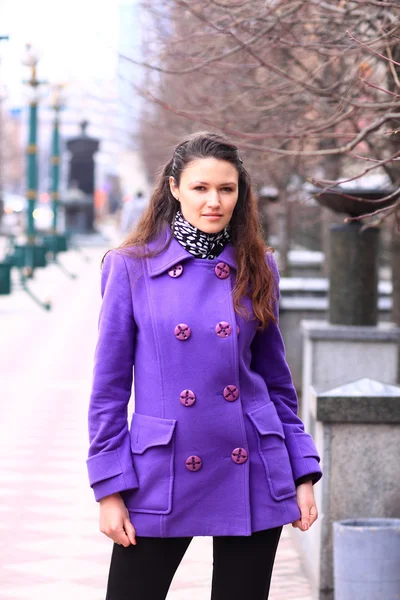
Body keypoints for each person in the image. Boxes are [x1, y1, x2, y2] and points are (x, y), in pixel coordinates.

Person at [86, 131, 322, 600]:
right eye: (200, 188)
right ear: (174, 188)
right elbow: (109, 391)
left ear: (240, 193)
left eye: (226, 189)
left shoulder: (258, 266)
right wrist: (109, 489)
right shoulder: (130, 267)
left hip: (252, 463)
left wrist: (301, 472)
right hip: (161, 469)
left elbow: (277, 382)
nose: (214, 201)